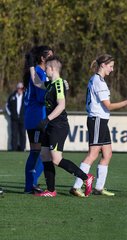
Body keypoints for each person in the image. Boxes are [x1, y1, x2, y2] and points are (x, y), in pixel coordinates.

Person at [70, 54, 127, 197]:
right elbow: (109, 106)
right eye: (110, 66)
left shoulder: (98, 80)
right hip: (97, 120)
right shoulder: (98, 81)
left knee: (107, 154)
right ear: (103, 65)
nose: (112, 70)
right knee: (92, 154)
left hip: (101, 120)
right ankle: (76, 186)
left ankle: (99, 188)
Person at [29, 55, 94, 197]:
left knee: (56, 159)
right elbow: (37, 83)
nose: (45, 70)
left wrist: (47, 119)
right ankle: (51, 191)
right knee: (45, 155)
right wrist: (31, 65)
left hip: (58, 125)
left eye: (46, 68)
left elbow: (62, 105)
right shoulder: (51, 84)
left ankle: (86, 178)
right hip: (51, 125)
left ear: (52, 68)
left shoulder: (58, 83)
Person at [22, 46, 53, 194]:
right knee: (41, 152)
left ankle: (30, 185)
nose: (53, 59)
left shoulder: (35, 72)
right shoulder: (40, 73)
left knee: (37, 151)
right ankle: (31, 185)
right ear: (42, 58)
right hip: (38, 118)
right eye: (50, 56)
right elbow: (42, 98)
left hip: (32, 116)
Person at [6, 82, 26, 151]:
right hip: (14, 119)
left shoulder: (26, 97)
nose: (20, 89)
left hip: (23, 118)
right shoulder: (12, 96)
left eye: (21, 88)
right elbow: (7, 106)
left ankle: (22, 148)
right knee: (14, 134)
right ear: (17, 88)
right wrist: (11, 114)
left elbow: (29, 107)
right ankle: (14, 149)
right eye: (19, 88)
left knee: (22, 134)